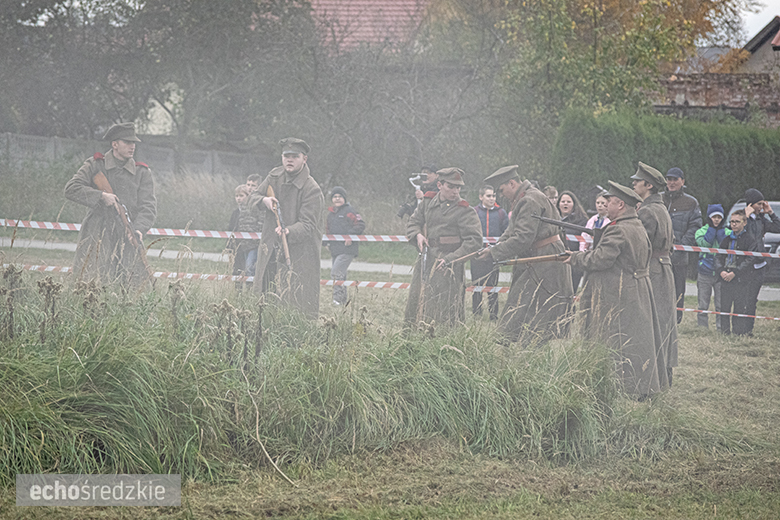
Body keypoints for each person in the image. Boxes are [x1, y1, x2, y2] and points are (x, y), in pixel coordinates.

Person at [565, 181, 668, 397]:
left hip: (619, 294)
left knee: (617, 342)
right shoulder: (636, 225)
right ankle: (640, 386)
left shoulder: (618, 230)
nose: (604, 206)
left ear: (620, 204)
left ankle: (623, 387)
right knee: (637, 342)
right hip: (635, 290)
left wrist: (575, 258)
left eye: (609, 202)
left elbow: (600, 259)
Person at [479, 165, 573, 342]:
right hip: (536, 258)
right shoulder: (525, 197)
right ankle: (516, 346)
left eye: (502, 190)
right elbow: (512, 230)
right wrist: (494, 247)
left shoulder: (529, 200)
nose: (501, 195)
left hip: (544, 260)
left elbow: (523, 238)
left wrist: (494, 253)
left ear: (512, 183)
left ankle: (526, 352)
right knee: (521, 307)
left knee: (535, 311)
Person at [64, 122, 156, 288]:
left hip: (128, 232)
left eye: (133, 143)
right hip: (97, 232)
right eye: (127, 142)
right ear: (115, 144)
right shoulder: (95, 164)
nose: (132, 146)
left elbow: (148, 207)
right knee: (89, 283)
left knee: (133, 285)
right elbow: (71, 189)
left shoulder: (142, 172)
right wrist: (101, 196)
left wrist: (139, 230)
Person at [249, 138, 324, 319]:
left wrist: (288, 231)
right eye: (286, 156)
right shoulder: (273, 177)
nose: (289, 160)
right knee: (264, 300)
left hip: (299, 253)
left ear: (304, 159)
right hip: (270, 250)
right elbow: (252, 198)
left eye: (295, 156)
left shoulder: (312, 189)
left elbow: (308, 226)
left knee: (296, 304)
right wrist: (264, 201)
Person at [404, 168, 483, 327]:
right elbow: (413, 223)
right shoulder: (427, 202)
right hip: (426, 259)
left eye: (458, 187)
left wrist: (451, 260)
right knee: (417, 301)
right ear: (439, 185)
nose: (455, 191)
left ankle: (444, 343)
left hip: (449, 264)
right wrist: (417, 235)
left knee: (445, 310)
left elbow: (474, 241)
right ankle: (413, 339)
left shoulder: (465, 210)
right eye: (451, 187)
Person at [630, 162, 678, 385]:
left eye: (637, 181)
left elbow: (640, 244)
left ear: (648, 185)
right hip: (662, 268)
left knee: (652, 325)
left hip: (653, 271)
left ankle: (654, 379)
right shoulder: (660, 208)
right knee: (662, 324)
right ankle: (662, 377)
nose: (633, 184)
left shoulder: (648, 210)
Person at [663, 167, 702, 324]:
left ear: (682, 182)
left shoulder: (691, 202)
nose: (671, 183)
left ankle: (676, 320)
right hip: (659, 254)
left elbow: (695, 227)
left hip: (679, 256)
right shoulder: (658, 199)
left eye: (675, 179)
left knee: (678, 289)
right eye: (669, 179)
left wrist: (682, 245)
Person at [715, 210, 761, 336]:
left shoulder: (750, 240)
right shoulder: (726, 239)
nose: (733, 224)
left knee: (739, 308)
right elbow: (718, 257)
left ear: (744, 222)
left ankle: (737, 332)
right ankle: (724, 332)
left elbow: (750, 259)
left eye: (736, 221)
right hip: (725, 277)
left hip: (741, 279)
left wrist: (735, 272)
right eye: (731, 222)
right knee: (724, 307)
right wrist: (721, 271)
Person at [742, 188, 780, 335]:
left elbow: (778, 227)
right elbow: (734, 231)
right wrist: (745, 215)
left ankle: (748, 329)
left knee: (752, 299)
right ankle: (739, 328)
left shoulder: (761, 220)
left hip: (759, 265)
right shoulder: (742, 218)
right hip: (745, 265)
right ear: (751, 204)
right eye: (759, 203)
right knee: (742, 298)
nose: (761, 206)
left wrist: (770, 212)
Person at [470, 185, 509, 320]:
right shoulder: (474, 212)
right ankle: (477, 313)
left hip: (493, 256)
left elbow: (506, 232)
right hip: (477, 256)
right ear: (481, 197)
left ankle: (493, 315)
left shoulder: (501, 213)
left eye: (493, 195)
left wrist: (499, 249)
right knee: (477, 286)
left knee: (492, 286)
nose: (492, 198)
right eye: (488, 196)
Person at [326, 186, 366, 306]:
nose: (337, 199)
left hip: (347, 249)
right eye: (335, 197)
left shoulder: (350, 211)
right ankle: (343, 301)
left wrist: (350, 236)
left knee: (336, 272)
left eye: (339, 197)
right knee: (341, 275)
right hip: (335, 248)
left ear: (344, 198)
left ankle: (337, 299)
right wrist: (326, 242)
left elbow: (360, 225)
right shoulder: (331, 214)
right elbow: (328, 230)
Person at [694, 204, 731, 331]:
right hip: (704, 271)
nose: (716, 220)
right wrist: (711, 230)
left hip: (721, 272)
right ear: (709, 218)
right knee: (703, 303)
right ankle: (702, 328)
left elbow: (725, 245)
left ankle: (720, 328)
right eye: (714, 217)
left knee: (720, 304)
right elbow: (704, 243)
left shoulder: (727, 232)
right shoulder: (701, 231)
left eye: (719, 217)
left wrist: (720, 232)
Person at [228, 184, 262, 289]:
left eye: (241, 196)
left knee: (249, 268)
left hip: (253, 244)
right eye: (237, 196)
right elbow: (232, 229)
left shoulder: (255, 209)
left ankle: (250, 290)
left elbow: (260, 225)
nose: (238, 198)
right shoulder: (236, 212)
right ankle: (239, 292)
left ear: (248, 196)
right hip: (240, 246)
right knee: (239, 269)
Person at [557, 190, 588, 290]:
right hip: (556, 260)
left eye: (568, 202)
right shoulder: (554, 220)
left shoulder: (582, 221)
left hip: (573, 261)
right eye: (563, 201)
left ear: (574, 204)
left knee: (571, 290)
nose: (565, 204)